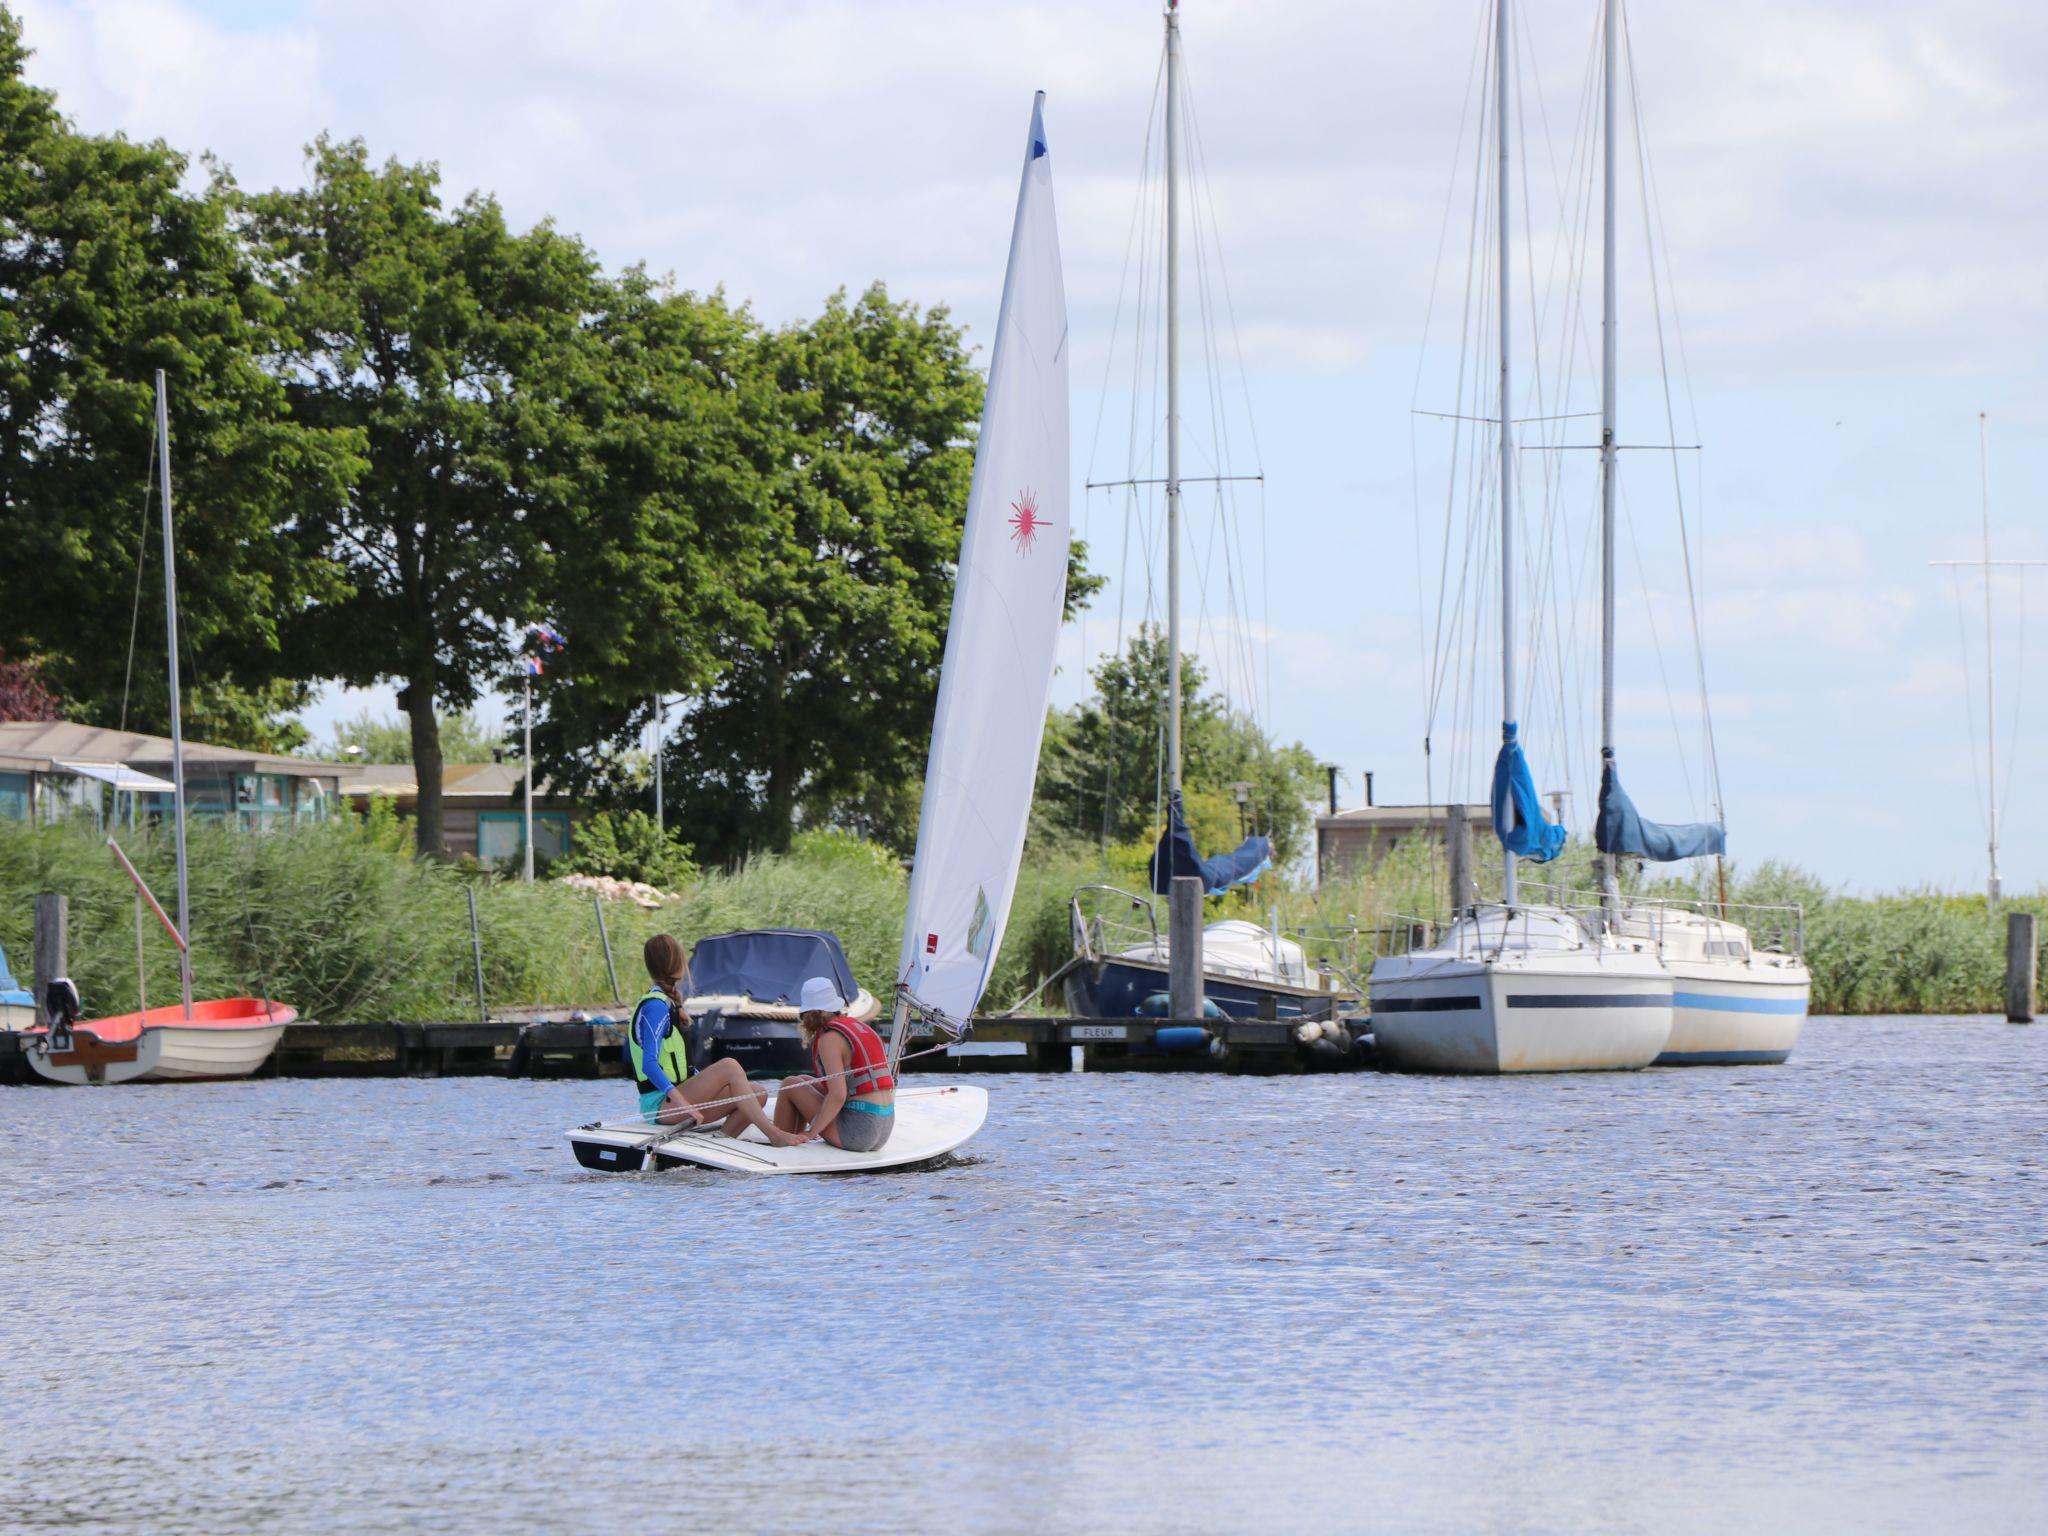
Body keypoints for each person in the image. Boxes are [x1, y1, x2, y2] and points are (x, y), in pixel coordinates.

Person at [630, 934, 799, 1145]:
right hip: (660, 1104)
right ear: (677, 962)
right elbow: (649, 1065)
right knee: (729, 1066)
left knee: (758, 1094)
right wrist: (685, 1105)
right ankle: (774, 1135)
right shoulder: (655, 1006)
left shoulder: (668, 1002)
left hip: (679, 1096)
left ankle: (721, 1141)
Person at [772, 976, 895, 1152]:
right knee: (803, 1080)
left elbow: (838, 1095)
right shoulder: (859, 1026)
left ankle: (779, 1142)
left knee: (790, 1084)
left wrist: (812, 1132)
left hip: (858, 1131)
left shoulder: (829, 1039)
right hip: (884, 1127)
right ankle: (793, 1136)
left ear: (812, 1014)